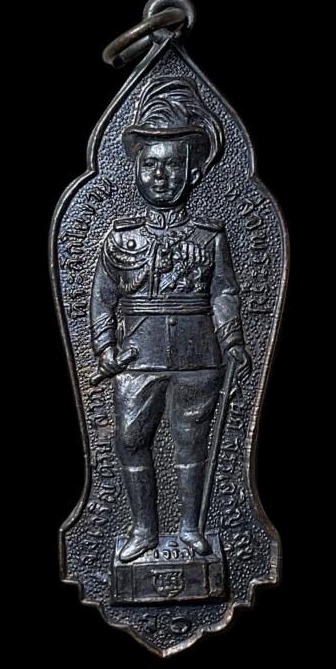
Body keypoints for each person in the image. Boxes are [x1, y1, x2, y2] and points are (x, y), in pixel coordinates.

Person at [90, 77, 251, 562]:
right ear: (136, 169)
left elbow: (224, 292)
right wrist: (105, 348)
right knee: (130, 439)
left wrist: (233, 342)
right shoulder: (120, 238)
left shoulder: (209, 236)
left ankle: (190, 530)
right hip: (138, 359)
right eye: (150, 165)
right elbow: (101, 300)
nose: (160, 175)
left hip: (197, 357)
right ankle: (143, 529)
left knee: (191, 442)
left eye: (172, 165)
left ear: (193, 172)